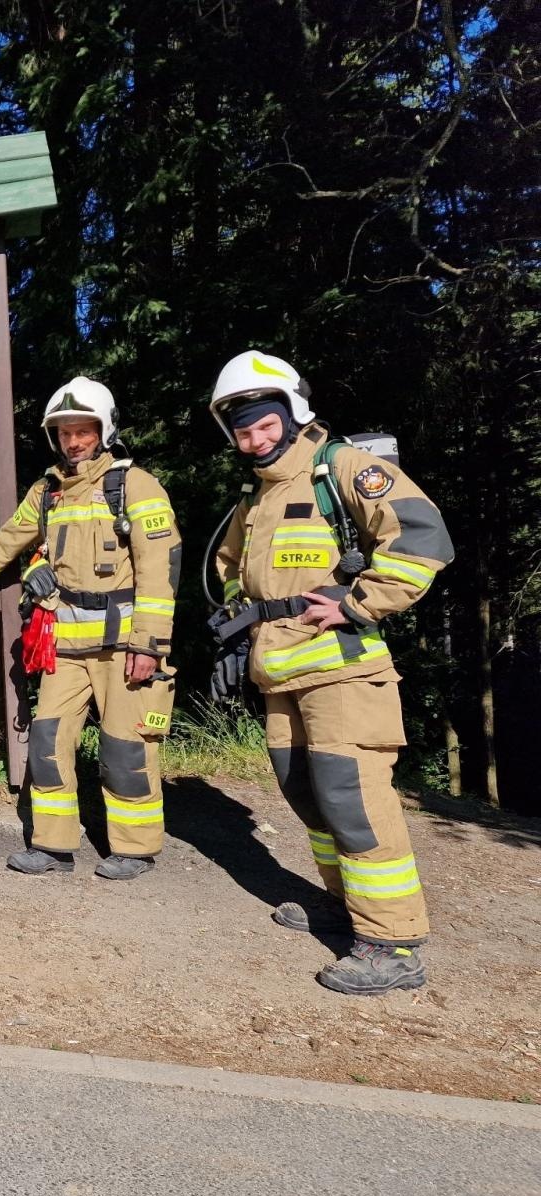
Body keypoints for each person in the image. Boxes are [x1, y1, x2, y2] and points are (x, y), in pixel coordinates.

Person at [208, 350, 452, 995]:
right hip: (280, 673)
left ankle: (392, 942)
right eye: (243, 430)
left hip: (344, 672)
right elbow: (232, 569)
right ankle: (344, 906)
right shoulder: (258, 498)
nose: (255, 439)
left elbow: (422, 537)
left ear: (291, 414)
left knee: (355, 800)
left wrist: (357, 603)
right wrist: (240, 631)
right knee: (307, 795)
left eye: (265, 424)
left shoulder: (342, 467)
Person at [0, 377, 180, 880]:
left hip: (124, 644)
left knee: (125, 746)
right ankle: (53, 845)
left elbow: (160, 568)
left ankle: (135, 848)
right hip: (65, 645)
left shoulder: (135, 485)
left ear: (103, 431)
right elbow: (7, 542)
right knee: (47, 740)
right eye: (64, 432)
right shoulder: (48, 492)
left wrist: (149, 643)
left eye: (83, 430)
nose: (73, 441)